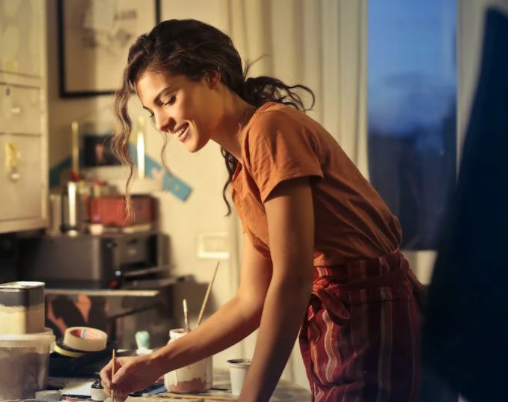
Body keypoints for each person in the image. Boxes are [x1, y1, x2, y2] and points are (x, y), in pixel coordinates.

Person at [99, 19, 426, 402]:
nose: (162, 123)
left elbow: (292, 280)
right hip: (343, 329)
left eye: (168, 100)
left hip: (372, 326)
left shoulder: (269, 130)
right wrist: (156, 363)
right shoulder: (243, 171)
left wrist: (251, 398)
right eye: (151, 111)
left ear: (211, 76)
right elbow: (251, 301)